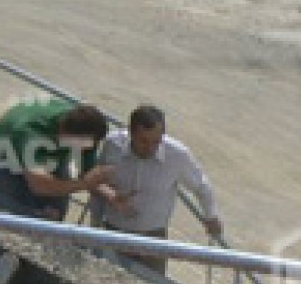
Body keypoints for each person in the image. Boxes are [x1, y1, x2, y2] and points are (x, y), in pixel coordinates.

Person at [92, 105, 221, 274]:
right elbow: (94, 179)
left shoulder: (177, 154)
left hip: (153, 239)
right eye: (143, 141)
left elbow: (201, 186)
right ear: (130, 132)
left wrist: (210, 217)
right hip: (113, 232)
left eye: (156, 141)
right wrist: (110, 196)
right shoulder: (113, 144)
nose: (150, 148)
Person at [0, 98, 114, 220]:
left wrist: (112, 196)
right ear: (64, 132)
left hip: (53, 154)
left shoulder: (88, 132)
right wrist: (83, 184)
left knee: (56, 211)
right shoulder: (28, 132)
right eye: (80, 146)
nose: (83, 151)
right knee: (10, 211)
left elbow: (89, 174)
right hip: (9, 154)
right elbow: (39, 185)